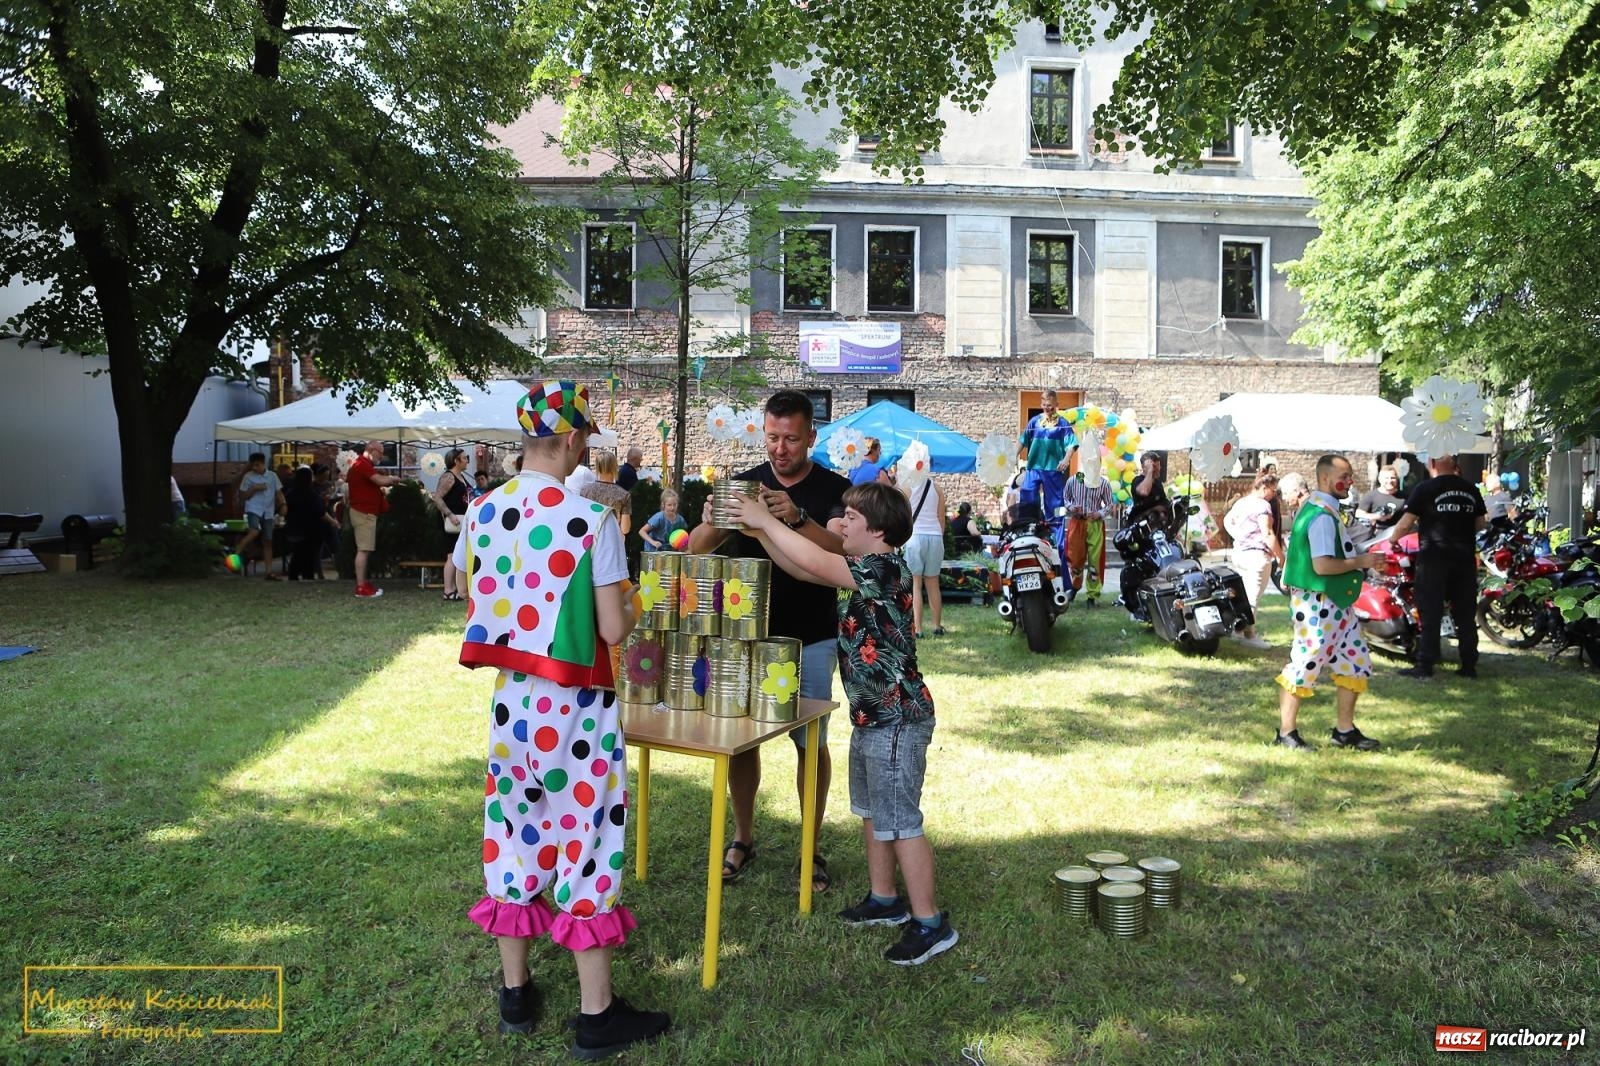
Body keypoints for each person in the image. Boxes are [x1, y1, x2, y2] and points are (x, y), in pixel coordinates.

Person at [453, 381, 669, 1056]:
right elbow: (611, 629)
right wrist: (636, 604)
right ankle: (596, 1015)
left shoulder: (480, 512)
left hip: (514, 702)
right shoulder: (592, 520)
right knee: (587, 837)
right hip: (578, 705)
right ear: (574, 440)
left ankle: (516, 994)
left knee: (513, 830)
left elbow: (466, 587)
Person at [729, 482, 958, 966]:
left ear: (877, 531)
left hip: (898, 718)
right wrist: (761, 531)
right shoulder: (859, 570)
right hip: (873, 717)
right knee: (873, 811)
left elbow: (814, 560)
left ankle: (931, 922)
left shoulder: (881, 567)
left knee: (901, 821)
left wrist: (768, 521)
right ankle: (884, 899)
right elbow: (799, 564)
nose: (840, 524)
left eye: (850, 518)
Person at [688, 389, 850, 895]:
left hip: (813, 634)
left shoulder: (834, 489)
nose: (780, 449)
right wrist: (721, 518)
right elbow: (694, 547)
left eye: (792, 440)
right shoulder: (743, 484)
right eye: (773, 437)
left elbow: (846, 551)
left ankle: (811, 845)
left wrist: (797, 518)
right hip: (745, 637)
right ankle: (743, 836)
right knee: (740, 742)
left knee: (811, 745)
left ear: (811, 438)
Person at [1273, 454, 1384, 752]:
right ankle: (1286, 733)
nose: (1349, 481)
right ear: (1324, 479)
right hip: (1318, 604)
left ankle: (1344, 731)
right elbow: (1323, 566)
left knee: (1355, 662)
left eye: (1349, 476)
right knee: (1306, 663)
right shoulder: (1321, 516)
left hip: (1334, 603)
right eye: (1344, 476)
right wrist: (1361, 561)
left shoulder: (1322, 510)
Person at [1389, 454, 1488, 679]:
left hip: (1434, 559)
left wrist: (1393, 540)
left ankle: (1425, 664)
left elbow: (1405, 523)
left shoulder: (1425, 489)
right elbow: (1481, 523)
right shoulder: (1471, 489)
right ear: (1454, 465)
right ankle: (1469, 665)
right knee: (1465, 613)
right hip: (1463, 559)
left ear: (1432, 464)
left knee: (1430, 611)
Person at [1222, 471, 1280, 649]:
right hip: (1257, 556)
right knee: (1253, 596)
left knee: (1241, 593)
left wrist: (1238, 536)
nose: (1274, 495)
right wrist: (1280, 555)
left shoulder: (1242, 502)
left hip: (1240, 553)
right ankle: (1249, 634)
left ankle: (1237, 630)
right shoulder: (1263, 506)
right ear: (1264, 488)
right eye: (1273, 490)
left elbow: (1227, 520)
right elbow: (1267, 533)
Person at [348, 440, 399, 598]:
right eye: (380, 452)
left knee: (366, 549)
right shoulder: (362, 464)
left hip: (365, 512)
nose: (381, 456)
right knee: (363, 550)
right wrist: (392, 479)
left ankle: (363, 583)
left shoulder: (362, 465)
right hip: (364, 512)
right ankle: (361, 587)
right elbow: (378, 480)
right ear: (371, 449)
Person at [1016, 389, 1074, 523]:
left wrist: (1066, 459)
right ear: (1041, 404)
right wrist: (1014, 456)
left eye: (1050, 405)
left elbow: (1071, 444)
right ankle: (1028, 527)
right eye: (1044, 405)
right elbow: (1022, 440)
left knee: (1056, 505)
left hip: (1053, 469)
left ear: (1056, 404)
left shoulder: (1063, 423)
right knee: (1027, 495)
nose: (1047, 408)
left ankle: (1057, 538)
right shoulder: (1034, 422)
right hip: (1034, 467)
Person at [901, 475, 945, 637]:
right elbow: (941, 519)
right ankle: (937, 626)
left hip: (915, 537)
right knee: (933, 584)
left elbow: (903, 517)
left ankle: (918, 629)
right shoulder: (937, 488)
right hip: (935, 537)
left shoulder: (906, 487)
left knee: (916, 584)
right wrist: (939, 536)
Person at [1062, 466, 1113, 606]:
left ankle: (1092, 595)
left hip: (1095, 524)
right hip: (1077, 522)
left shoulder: (1103, 483)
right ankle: (1074, 587)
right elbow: (1065, 498)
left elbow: (1109, 505)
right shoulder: (1073, 480)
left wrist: (1099, 513)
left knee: (1094, 561)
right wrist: (1072, 508)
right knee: (1075, 559)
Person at [431, 448, 474, 601]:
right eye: (464, 457)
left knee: (458, 554)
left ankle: (455, 588)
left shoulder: (461, 476)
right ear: (456, 460)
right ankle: (448, 590)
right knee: (452, 555)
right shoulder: (449, 477)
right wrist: (450, 514)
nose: (467, 460)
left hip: (462, 520)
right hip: (453, 522)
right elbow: (437, 498)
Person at [236, 452, 286, 581]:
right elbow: (242, 496)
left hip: (268, 511)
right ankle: (236, 552)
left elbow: (278, 492)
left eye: (257, 465)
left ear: (263, 464)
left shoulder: (272, 476)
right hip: (254, 509)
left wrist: (283, 504)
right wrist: (253, 489)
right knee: (254, 532)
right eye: (253, 465)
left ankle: (269, 572)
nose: (254, 468)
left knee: (268, 541)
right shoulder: (248, 477)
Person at [283, 466, 338, 580]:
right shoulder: (312, 495)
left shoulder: (290, 493)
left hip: (293, 528)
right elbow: (321, 513)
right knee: (310, 556)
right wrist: (333, 521)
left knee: (297, 554)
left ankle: (293, 575)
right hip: (310, 531)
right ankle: (308, 576)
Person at [581, 450, 632, 536]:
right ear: (614, 466)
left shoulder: (585, 491)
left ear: (597, 466)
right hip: (613, 539)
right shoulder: (624, 495)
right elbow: (625, 529)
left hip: (590, 540)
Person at [1354, 466, 1405, 542]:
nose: (1390, 481)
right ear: (1380, 479)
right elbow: (1358, 513)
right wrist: (1377, 516)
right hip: (1377, 536)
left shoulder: (1405, 496)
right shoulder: (1372, 495)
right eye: (1386, 478)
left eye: (1392, 478)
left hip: (1399, 535)